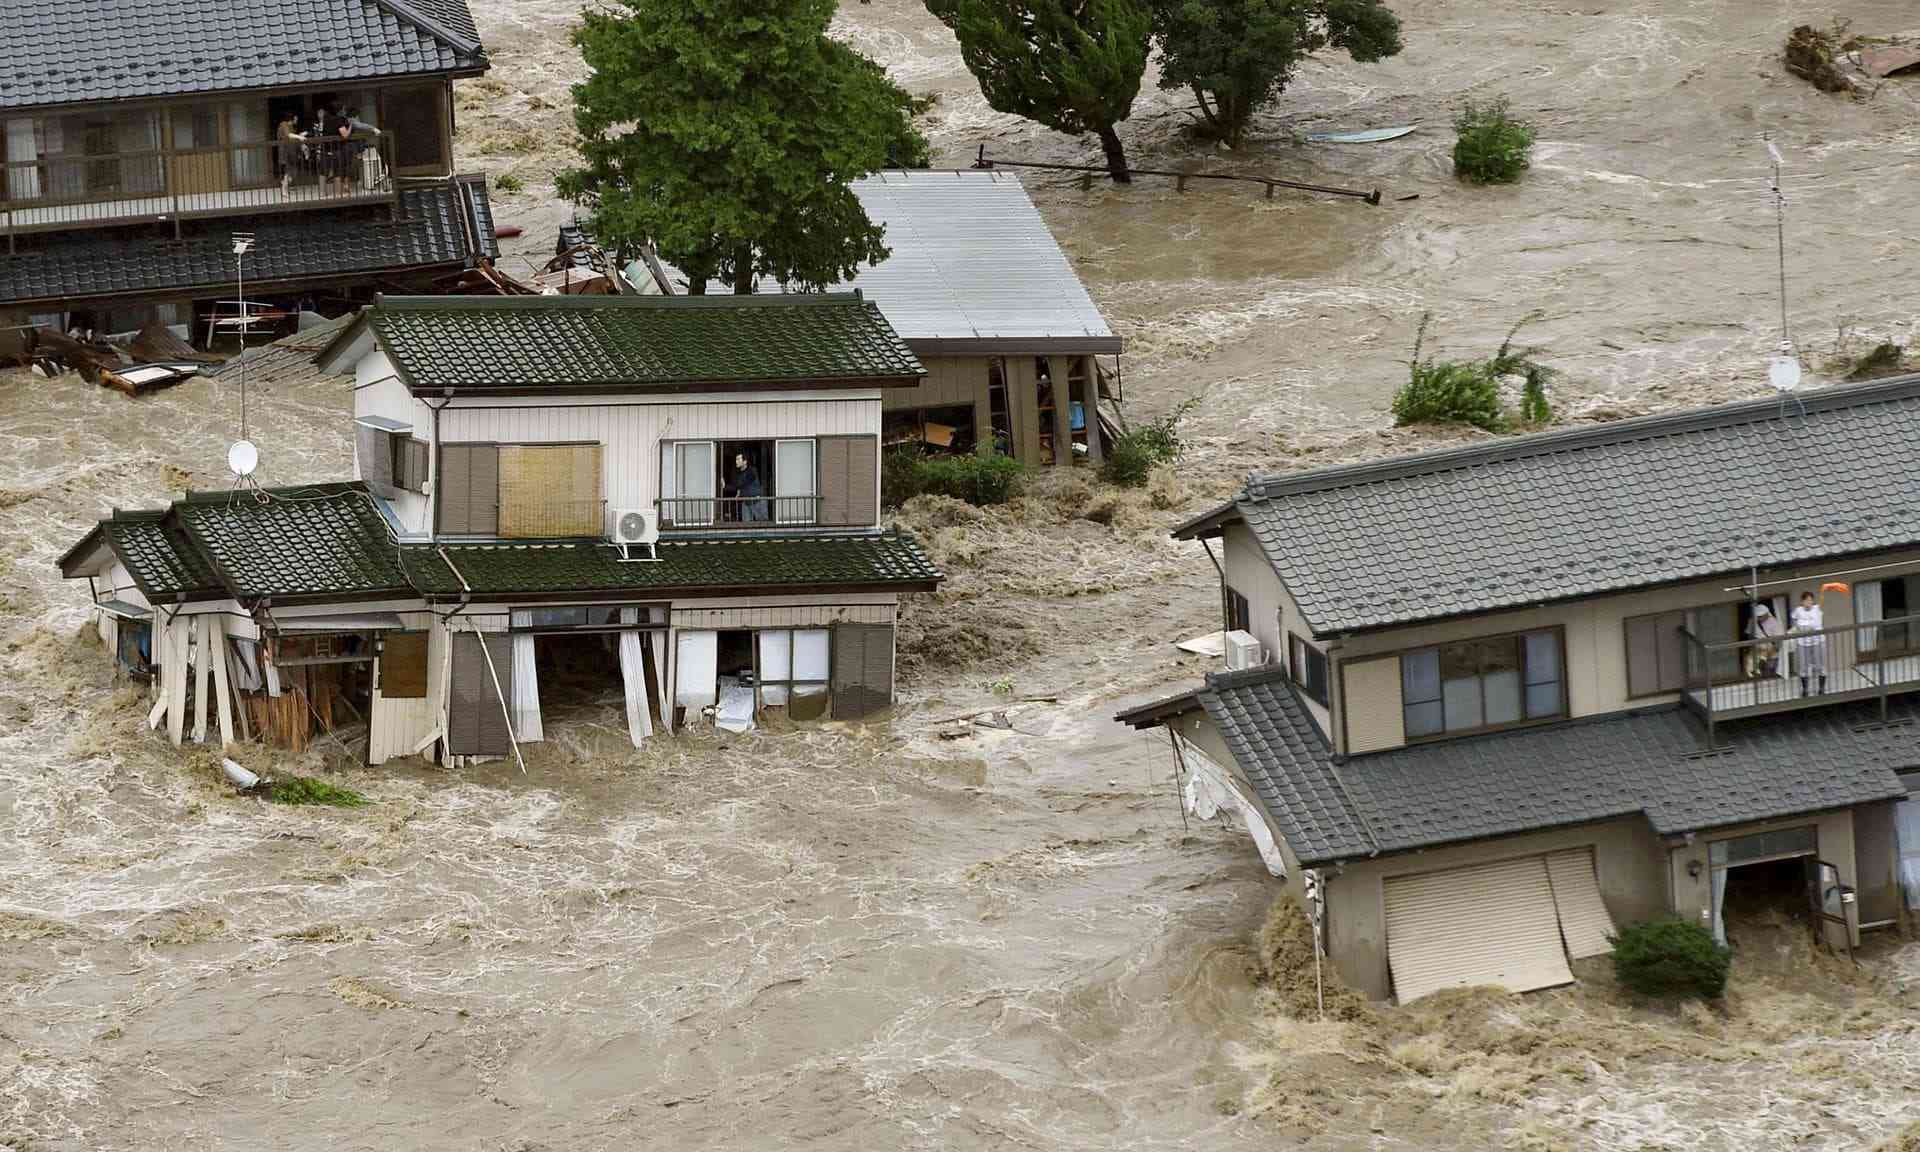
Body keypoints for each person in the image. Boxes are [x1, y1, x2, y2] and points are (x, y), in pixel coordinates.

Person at [1791, 591, 1826, 696]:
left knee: (1820, 665)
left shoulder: (1817, 609)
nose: (1809, 602)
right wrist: (1802, 626)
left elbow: (1822, 602)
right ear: (1802, 601)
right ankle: (1805, 689)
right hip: (1803, 642)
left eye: (1811, 600)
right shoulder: (1798, 611)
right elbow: (1796, 623)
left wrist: (1824, 590)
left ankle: (1821, 688)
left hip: (1818, 640)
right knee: (1803, 666)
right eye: (1806, 600)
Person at [1746, 602, 1784, 679]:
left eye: (1761, 616)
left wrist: (1774, 649)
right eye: (1758, 616)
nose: (1759, 618)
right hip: (1757, 647)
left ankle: (1761, 669)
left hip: (1770, 649)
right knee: (1751, 663)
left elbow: (1779, 639)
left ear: (1766, 614)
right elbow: (1749, 635)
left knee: (1769, 670)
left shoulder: (1774, 622)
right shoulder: (1752, 621)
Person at [275, 110, 306, 195]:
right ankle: (284, 188)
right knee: (288, 170)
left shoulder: (291, 126)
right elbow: (289, 135)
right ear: (291, 118)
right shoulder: (284, 124)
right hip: (285, 150)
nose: (297, 120)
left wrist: (300, 136)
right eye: (296, 118)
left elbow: (292, 137)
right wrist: (299, 137)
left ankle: (285, 185)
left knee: (291, 170)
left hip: (291, 150)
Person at [729, 453, 766, 522]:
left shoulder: (752, 470)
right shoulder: (739, 474)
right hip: (746, 502)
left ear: (745, 461)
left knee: (762, 523)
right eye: (736, 459)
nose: (736, 461)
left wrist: (728, 487)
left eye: (738, 459)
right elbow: (738, 486)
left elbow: (743, 483)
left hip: (757, 501)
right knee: (746, 524)